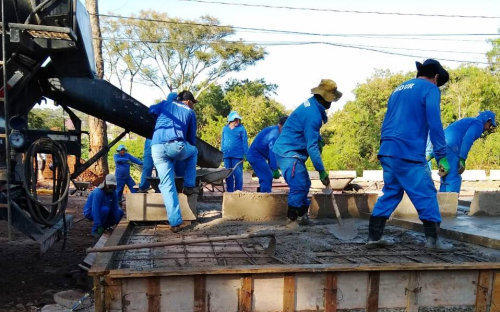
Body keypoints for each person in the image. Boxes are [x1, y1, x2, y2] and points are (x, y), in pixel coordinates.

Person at [367, 59, 452, 250]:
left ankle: (374, 237)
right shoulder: (430, 89)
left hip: (387, 149)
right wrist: (441, 156)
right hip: (408, 150)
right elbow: (435, 124)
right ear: (436, 77)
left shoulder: (399, 88)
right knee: (426, 192)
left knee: (392, 192)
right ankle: (433, 240)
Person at [272, 79, 342, 224]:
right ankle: (291, 221)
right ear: (324, 99)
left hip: (292, 152)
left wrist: (318, 138)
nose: (332, 103)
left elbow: (310, 134)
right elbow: (312, 147)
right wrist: (321, 170)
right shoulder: (313, 115)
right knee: (298, 185)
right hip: (288, 153)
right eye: (331, 100)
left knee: (304, 183)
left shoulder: (312, 106)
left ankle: (302, 216)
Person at [150, 91, 198, 232]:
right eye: (193, 103)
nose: (193, 106)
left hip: (156, 147)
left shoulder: (165, 104)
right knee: (193, 151)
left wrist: (165, 104)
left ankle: (175, 222)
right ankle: (189, 185)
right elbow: (191, 138)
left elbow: (151, 109)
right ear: (188, 101)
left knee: (166, 185)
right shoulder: (189, 112)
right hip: (174, 145)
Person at [432, 111, 496, 193]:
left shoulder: (468, 121)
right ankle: (450, 204)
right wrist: (462, 158)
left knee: (445, 178)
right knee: (453, 179)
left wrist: (433, 154)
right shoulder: (478, 124)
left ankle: (442, 204)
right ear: (488, 120)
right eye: (490, 125)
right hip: (450, 148)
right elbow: (468, 139)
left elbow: (446, 135)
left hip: (440, 147)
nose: (488, 128)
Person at [247, 116, 288, 193]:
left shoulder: (275, 130)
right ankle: (265, 197)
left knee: (266, 176)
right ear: (283, 126)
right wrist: (275, 169)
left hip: (258, 155)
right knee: (267, 176)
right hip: (255, 156)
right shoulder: (275, 133)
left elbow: (271, 154)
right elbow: (272, 151)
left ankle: (262, 194)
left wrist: (273, 166)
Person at [221, 111, 248, 192]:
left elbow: (245, 142)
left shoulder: (241, 129)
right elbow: (223, 141)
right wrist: (221, 153)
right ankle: (229, 191)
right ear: (231, 120)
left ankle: (238, 191)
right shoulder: (225, 129)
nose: (237, 121)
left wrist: (245, 154)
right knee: (228, 174)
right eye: (235, 120)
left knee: (238, 174)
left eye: (238, 120)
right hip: (227, 155)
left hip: (238, 155)